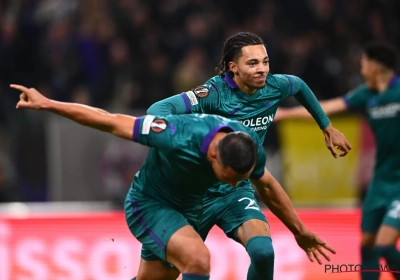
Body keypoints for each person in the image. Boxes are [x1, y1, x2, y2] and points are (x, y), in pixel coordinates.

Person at [11, 84, 336, 280]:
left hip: (189, 211)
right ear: (213, 157)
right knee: (198, 259)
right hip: (150, 205)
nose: (236, 184)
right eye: (230, 177)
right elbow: (110, 121)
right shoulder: (175, 136)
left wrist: (300, 231)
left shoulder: (249, 146)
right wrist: (49, 104)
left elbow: (267, 186)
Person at [138, 32, 352, 280]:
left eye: (265, 61)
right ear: (233, 68)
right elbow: (157, 110)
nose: (262, 69)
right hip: (194, 196)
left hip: (235, 190)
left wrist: (326, 127)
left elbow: (300, 86)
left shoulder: (274, 86)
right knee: (163, 276)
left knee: (263, 252)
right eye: (252, 63)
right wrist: (185, 136)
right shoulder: (213, 93)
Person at [275, 42, 400, 280]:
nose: (361, 70)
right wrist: (284, 114)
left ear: (374, 66)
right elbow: (326, 109)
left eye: (363, 64)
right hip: (381, 180)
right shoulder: (366, 95)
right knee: (367, 245)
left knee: (384, 244)